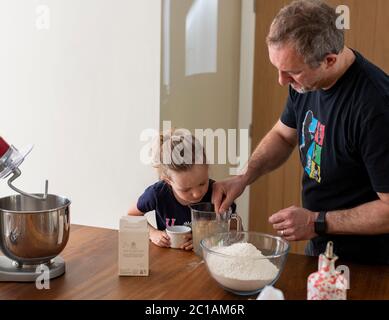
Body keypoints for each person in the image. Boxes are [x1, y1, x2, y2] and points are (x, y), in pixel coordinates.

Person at [212, 0, 389, 264]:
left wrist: (316, 221)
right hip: (322, 246)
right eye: (278, 69)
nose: (282, 81)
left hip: (370, 264)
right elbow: (283, 135)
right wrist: (244, 176)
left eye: (292, 73)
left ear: (329, 60)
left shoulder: (375, 106)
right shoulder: (305, 83)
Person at [128, 129, 216, 250]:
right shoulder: (157, 194)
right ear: (168, 181)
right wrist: (152, 233)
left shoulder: (217, 192)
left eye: (202, 183)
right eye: (185, 189)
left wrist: (207, 238)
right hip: (167, 260)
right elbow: (131, 216)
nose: (196, 194)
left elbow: (234, 230)